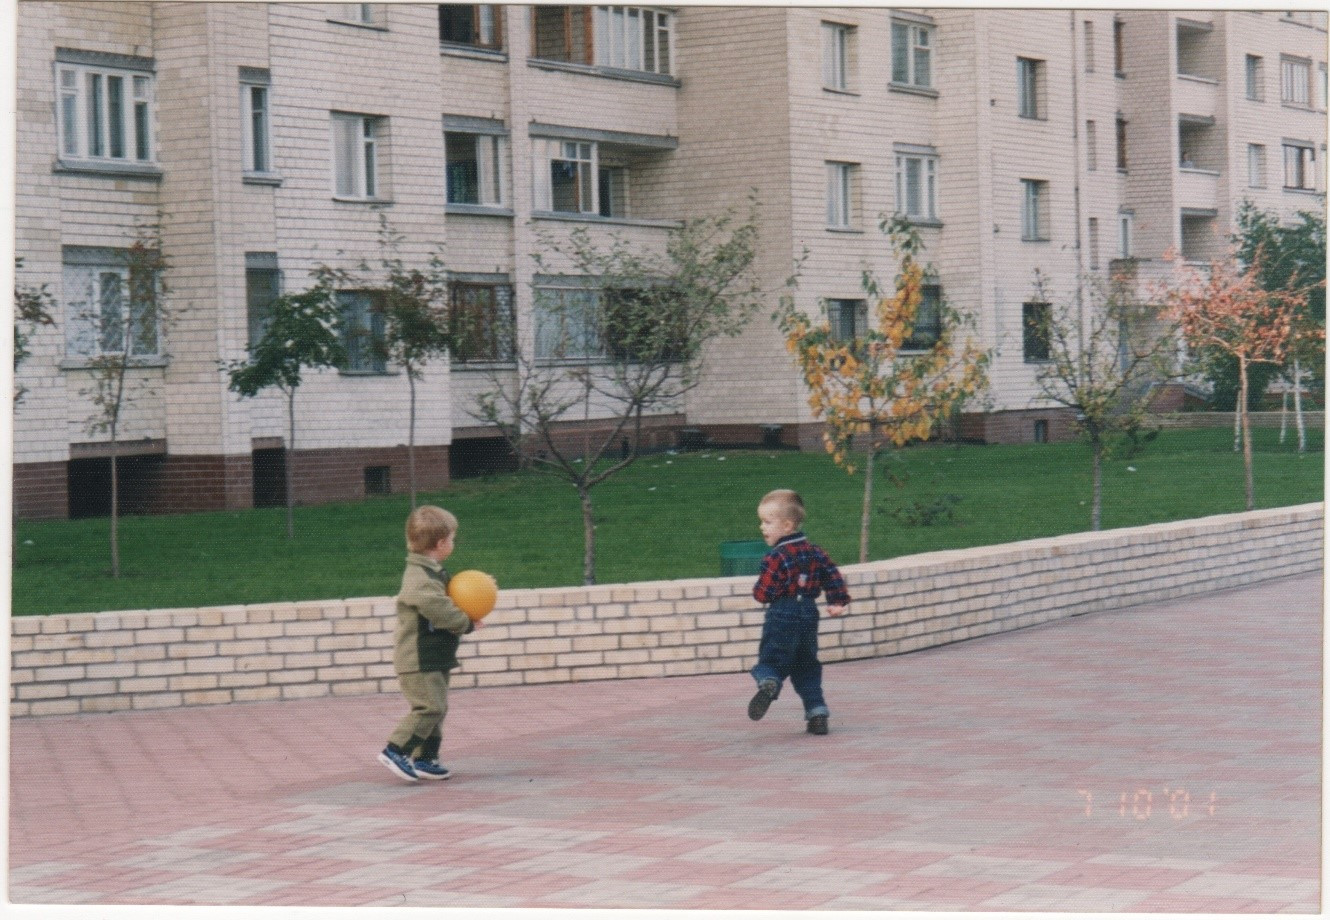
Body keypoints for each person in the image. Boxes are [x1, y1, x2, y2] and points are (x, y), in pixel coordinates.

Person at [378, 505, 479, 782]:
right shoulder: (420, 579)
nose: (453, 544)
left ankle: (425, 758)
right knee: (429, 707)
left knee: (438, 707)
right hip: (418, 657)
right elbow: (437, 608)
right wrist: (465, 622)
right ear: (441, 543)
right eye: (453, 539)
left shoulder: (431, 572)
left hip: (434, 654)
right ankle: (395, 749)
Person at [748, 488, 849, 735]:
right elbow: (833, 576)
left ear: (787, 525)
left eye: (767, 522)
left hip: (783, 613)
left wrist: (762, 592)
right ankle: (817, 711)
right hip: (808, 614)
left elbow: (763, 593)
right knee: (806, 665)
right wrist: (837, 601)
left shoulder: (776, 557)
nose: (762, 527)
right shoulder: (815, 552)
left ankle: (769, 682)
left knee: (771, 661)